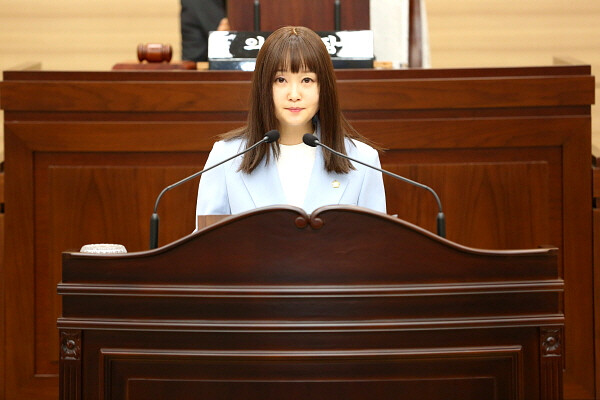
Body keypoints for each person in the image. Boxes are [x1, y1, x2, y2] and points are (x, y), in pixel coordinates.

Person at [195, 26, 386, 219]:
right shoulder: (226, 157)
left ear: (324, 87)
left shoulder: (363, 161)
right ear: (263, 86)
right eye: (280, 80)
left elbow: (375, 237)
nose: (294, 95)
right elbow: (206, 237)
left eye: (307, 80)